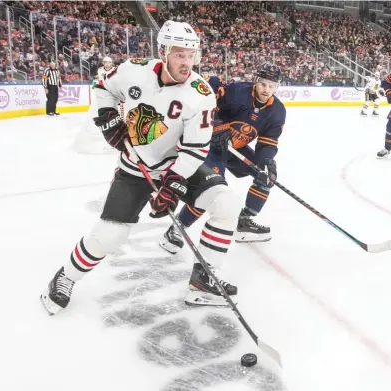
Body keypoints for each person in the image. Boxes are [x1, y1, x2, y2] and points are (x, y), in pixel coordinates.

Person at [40, 20, 242, 314]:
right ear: (162, 52)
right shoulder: (133, 70)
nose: (186, 62)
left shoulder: (201, 94)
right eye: (178, 54)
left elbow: (196, 149)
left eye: (190, 55)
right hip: (135, 167)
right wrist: (109, 121)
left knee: (227, 204)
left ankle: (203, 281)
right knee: (109, 236)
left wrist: (173, 184)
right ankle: (65, 277)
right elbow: (102, 87)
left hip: (175, 164)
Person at [160, 62, 286, 253]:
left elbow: (267, 142)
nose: (266, 90)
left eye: (271, 86)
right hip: (210, 144)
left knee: (265, 176)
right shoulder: (237, 91)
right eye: (263, 84)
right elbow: (209, 106)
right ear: (255, 81)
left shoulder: (277, 111)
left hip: (235, 148)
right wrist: (218, 126)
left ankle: (244, 222)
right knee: (212, 189)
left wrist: (268, 162)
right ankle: (176, 229)